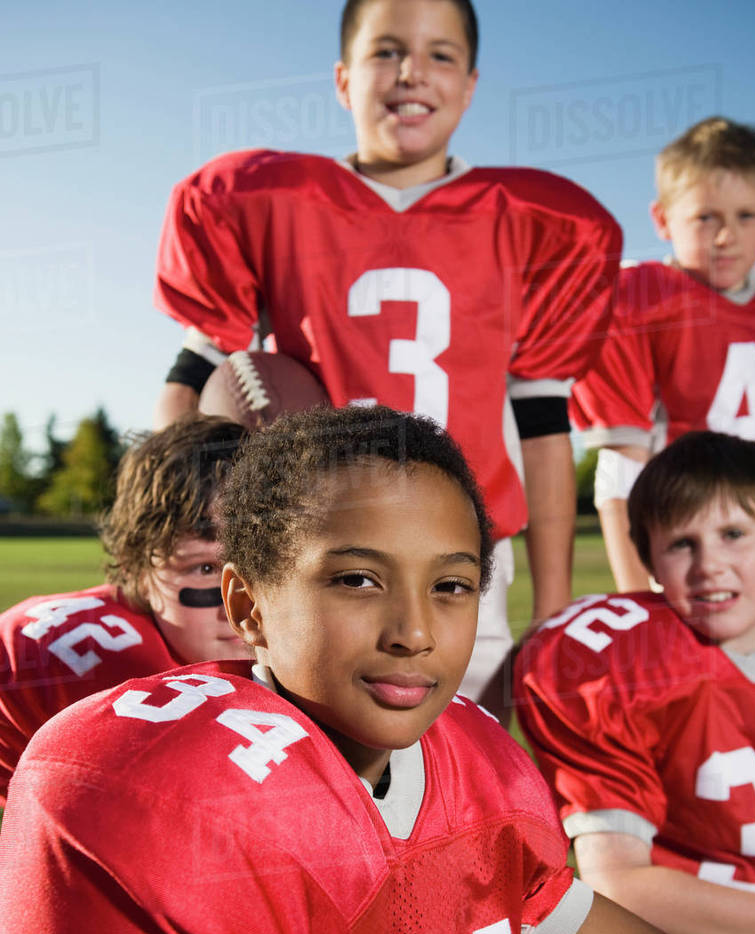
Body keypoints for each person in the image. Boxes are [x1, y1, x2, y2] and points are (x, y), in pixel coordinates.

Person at [1, 408, 755, 934]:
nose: (414, 630)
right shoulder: (170, 798)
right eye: (356, 579)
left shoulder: (476, 764)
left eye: (450, 586)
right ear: (247, 605)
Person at [152, 0, 622, 712]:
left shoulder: (536, 222)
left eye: (440, 55)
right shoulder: (262, 199)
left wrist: (552, 604)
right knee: (305, 791)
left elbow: (545, 427)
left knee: (461, 795)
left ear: (469, 84)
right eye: (386, 51)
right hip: (309, 555)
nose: (411, 72)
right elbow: (190, 383)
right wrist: (173, 529)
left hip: (464, 564)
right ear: (342, 79)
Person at [515, 431, 755, 934]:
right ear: (646, 558)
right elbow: (622, 885)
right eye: (681, 544)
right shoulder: (611, 660)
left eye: (733, 534)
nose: (710, 566)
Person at [570, 116, 755, 591]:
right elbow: (620, 476)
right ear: (662, 218)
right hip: (676, 550)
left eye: (745, 216)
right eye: (705, 216)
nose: (724, 236)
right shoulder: (637, 301)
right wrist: (638, 602)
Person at [0, 414, 251, 810]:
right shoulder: (137, 674)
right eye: (205, 568)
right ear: (136, 565)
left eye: (261, 561)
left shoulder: (154, 624)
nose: (243, 600)